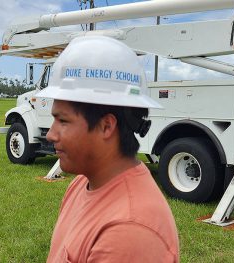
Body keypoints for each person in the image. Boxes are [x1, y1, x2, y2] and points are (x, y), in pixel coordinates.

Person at [37, 36, 179, 262]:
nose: (51, 134)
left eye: (62, 121)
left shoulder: (130, 231)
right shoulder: (81, 184)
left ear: (106, 126)